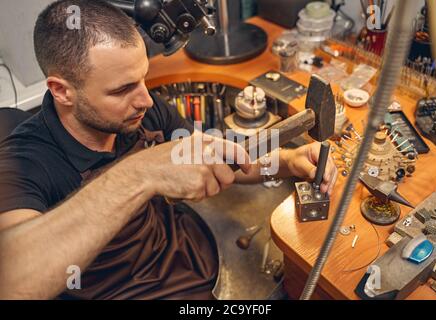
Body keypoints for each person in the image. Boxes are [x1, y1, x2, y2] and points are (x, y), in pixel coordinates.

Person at [0, 0, 337, 299]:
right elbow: (12, 280)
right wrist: (140, 172)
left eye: (144, 79)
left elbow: (220, 159)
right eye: (122, 89)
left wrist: (288, 161)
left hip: (182, 257)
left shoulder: (141, 112)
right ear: (62, 91)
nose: (146, 100)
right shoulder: (23, 161)